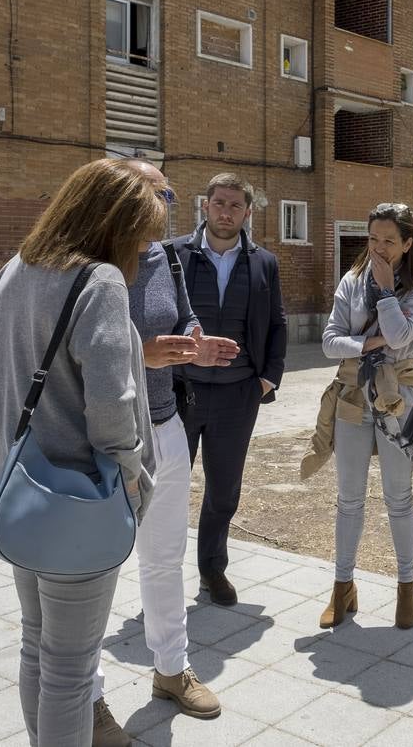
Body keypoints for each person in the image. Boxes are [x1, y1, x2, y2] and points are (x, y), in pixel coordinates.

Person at [0, 158, 160, 747]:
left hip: (20, 492)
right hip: (82, 501)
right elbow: (113, 405)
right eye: (141, 236)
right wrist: (131, 480)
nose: (144, 251)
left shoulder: (19, 266)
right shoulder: (100, 280)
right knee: (70, 670)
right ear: (111, 224)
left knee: (35, 645)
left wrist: (16, 418)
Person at [85, 161, 241, 745]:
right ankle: (90, 696)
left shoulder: (166, 258)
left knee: (164, 558)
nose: (164, 203)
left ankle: (170, 671)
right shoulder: (89, 263)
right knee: (95, 569)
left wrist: (194, 341)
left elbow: (182, 314)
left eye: (168, 193)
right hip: (103, 441)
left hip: (166, 428)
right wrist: (142, 354)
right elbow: (89, 350)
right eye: (154, 192)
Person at [305, 202, 413, 629]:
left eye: (390, 241)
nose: (379, 248)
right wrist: (367, 345)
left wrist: (384, 293)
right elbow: (329, 342)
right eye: (373, 239)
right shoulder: (350, 281)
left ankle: (407, 589)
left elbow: (401, 338)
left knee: (398, 499)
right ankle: (342, 587)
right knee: (349, 499)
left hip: (399, 400)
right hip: (353, 398)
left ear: (408, 243)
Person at [170, 173, 287, 607]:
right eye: (218, 203)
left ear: (248, 212)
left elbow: (277, 323)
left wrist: (266, 378)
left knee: (223, 490)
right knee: (167, 486)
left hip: (238, 396)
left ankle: (212, 570)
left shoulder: (263, 263)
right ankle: (162, 575)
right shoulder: (174, 256)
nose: (225, 212)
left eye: (235, 205)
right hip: (179, 393)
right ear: (205, 205)